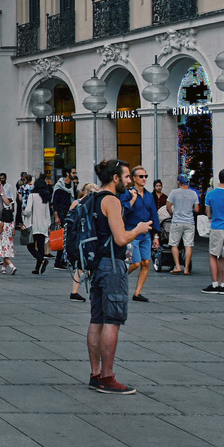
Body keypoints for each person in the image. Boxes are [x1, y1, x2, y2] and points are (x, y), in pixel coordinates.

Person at [84, 158, 152, 395]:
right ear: (115, 178)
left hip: (95, 265)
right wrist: (139, 229)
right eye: (125, 177)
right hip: (111, 264)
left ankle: (95, 374)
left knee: (96, 320)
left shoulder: (91, 197)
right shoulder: (111, 200)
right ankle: (108, 377)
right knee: (112, 321)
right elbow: (121, 238)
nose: (129, 181)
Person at [123, 165, 156, 302]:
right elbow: (123, 210)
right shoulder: (128, 193)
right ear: (134, 178)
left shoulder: (149, 195)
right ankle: (118, 279)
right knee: (135, 263)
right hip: (132, 232)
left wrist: (156, 236)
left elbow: (154, 214)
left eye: (145, 176)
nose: (144, 179)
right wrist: (133, 199)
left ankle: (137, 293)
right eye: (141, 176)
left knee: (146, 263)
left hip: (146, 234)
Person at [166, 174, 199, 274]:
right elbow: (197, 209)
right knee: (188, 245)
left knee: (174, 244)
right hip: (189, 222)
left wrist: (173, 213)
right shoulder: (193, 194)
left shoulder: (174, 192)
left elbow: (168, 206)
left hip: (177, 221)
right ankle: (186, 268)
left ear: (179, 182)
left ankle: (177, 266)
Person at [24, 175, 53, 273]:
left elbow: (28, 210)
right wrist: (48, 225)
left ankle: (42, 260)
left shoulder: (32, 196)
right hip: (43, 224)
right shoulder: (46, 196)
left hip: (34, 224)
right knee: (41, 246)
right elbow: (47, 213)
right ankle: (37, 267)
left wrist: (24, 213)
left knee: (30, 245)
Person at [0, 175, 17, 276]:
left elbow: (8, 203)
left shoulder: (2, 193)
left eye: (0, 185)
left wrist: (1, 193)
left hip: (0, 219)